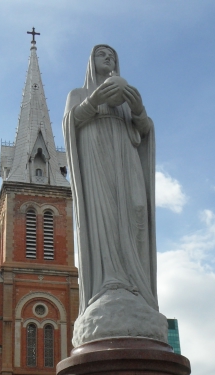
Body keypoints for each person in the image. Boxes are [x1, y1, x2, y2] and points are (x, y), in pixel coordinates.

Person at [63, 45, 166, 347]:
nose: (108, 58)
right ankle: (110, 282)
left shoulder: (126, 101)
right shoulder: (78, 94)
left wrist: (139, 110)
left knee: (137, 211)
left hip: (126, 161)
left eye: (112, 56)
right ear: (91, 62)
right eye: (102, 54)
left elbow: (145, 131)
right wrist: (94, 101)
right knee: (105, 218)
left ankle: (136, 286)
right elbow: (71, 123)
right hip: (97, 162)